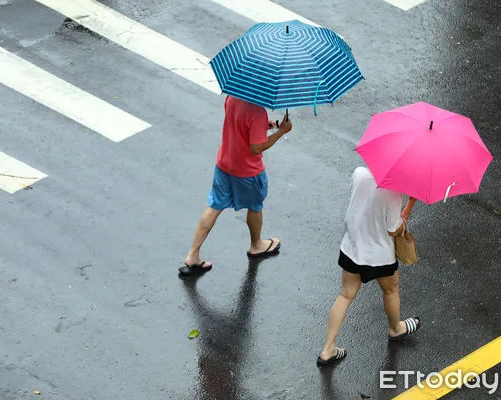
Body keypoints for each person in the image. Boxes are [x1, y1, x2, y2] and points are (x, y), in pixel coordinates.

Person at [317, 166, 419, 366]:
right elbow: (393, 229)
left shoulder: (359, 173)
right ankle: (395, 329)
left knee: (345, 294)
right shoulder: (393, 192)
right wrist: (410, 205)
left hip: (352, 247)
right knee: (390, 290)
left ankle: (328, 348)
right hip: (379, 255)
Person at [179, 96, 293, 276]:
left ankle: (192, 254)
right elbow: (256, 147)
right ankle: (256, 245)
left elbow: (238, 122)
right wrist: (281, 132)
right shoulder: (257, 111)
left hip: (225, 163)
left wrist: (262, 125)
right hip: (248, 171)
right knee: (255, 206)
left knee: (214, 206)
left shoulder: (232, 97)